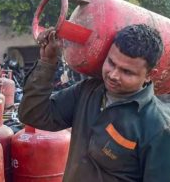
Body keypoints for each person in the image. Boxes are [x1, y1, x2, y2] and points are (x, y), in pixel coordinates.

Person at [18, 24, 170, 182]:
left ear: (149, 75)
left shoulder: (158, 128)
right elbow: (32, 114)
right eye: (111, 62)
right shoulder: (89, 91)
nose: (113, 75)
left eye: (127, 72)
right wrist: (47, 62)